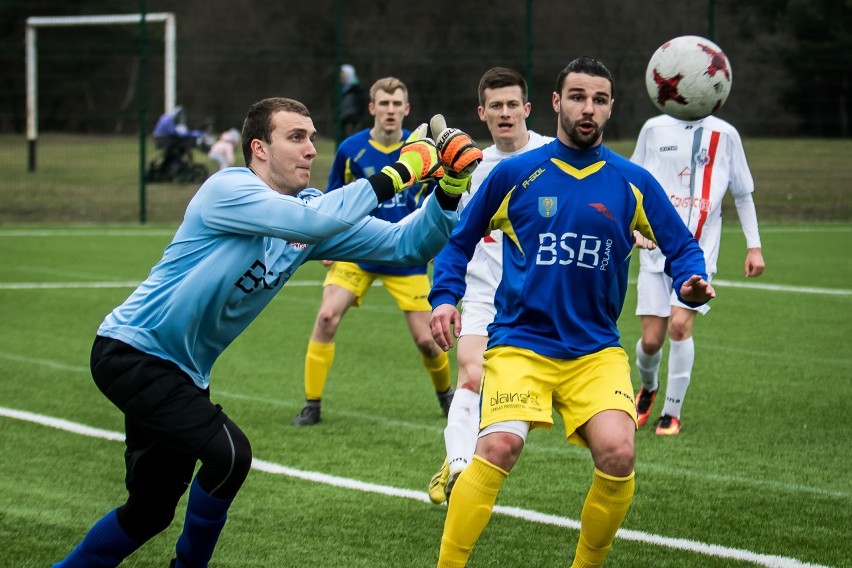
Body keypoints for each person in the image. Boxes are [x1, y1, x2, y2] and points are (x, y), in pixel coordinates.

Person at [51, 96, 480, 568]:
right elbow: (312, 221)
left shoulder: (309, 211)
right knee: (230, 456)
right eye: (296, 137)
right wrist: (402, 169)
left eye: (313, 138)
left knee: (149, 513)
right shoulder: (229, 188)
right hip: (132, 352)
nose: (311, 150)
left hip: (183, 373)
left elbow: (405, 245)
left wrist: (448, 190)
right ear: (258, 148)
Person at [429, 57, 715, 568]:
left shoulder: (632, 182)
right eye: (579, 97)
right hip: (521, 343)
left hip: (595, 350)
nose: (589, 108)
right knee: (496, 449)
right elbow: (458, 245)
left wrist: (691, 284)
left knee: (619, 454)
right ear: (557, 103)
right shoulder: (515, 174)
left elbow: (682, 248)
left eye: (600, 99)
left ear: (610, 108)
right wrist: (446, 297)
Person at [292, 77, 456, 426]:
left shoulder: (421, 149)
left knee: (428, 341)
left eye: (398, 104)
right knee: (326, 317)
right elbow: (331, 197)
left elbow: (438, 196)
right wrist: (327, 241)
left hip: (403, 253)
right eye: (384, 104)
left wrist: (428, 238)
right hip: (357, 251)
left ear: (407, 110)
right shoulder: (351, 149)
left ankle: (447, 398)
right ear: (372, 108)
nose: (391, 110)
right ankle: (312, 404)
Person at [427, 67, 552, 504]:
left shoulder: (555, 154)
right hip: (483, 291)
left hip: (540, 295)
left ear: (527, 109)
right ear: (482, 113)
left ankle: (461, 453)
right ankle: (460, 463)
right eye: (495, 106)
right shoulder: (471, 167)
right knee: (473, 373)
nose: (505, 113)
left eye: (512, 104)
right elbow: (448, 234)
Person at [631, 112, 765, 435]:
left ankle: (671, 413)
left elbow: (742, 193)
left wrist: (754, 246)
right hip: (655, 248)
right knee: (651, 342)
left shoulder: (726, 133)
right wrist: (633, 227)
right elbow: (631, 183)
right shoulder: (653, 127)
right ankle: (648, 388)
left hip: (698, 252)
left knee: (679, 327)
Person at [338, 63, 367, 143]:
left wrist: (356, 118)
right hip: (344, 121)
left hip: (353, 122)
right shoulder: (340, 89)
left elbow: (362, 106)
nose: (341, 76)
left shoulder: (357, 90)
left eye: (343, 74)